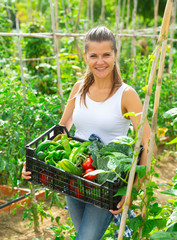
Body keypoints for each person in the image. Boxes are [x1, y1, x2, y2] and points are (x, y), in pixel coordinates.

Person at [22, 26, 156, 240]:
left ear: (115, 55)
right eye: (93, 55)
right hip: (74, 175)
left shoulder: (126, 94)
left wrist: (133, 189)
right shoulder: (79, 89)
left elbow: (148, 143)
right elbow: (62, 128)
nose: (100, 61)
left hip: (105, 182)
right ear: (85, 56)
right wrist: (33, 161)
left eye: (106, 55)